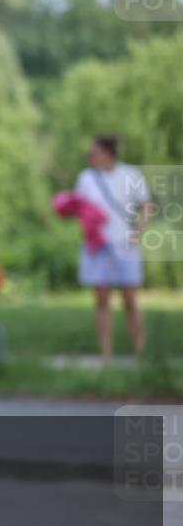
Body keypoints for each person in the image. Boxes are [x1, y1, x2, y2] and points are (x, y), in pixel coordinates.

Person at [73, 134, 152, 361]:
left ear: (107, 153)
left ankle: (140, 351)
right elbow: (80, 207)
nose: (90, 156)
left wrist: (138, 230)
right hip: (97, 246)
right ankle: (106, 354)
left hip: (124, 245)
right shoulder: (86, 178)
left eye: (93, 152)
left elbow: (146, 204)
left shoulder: (130, 174)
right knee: (101, 300)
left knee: (130, 299)